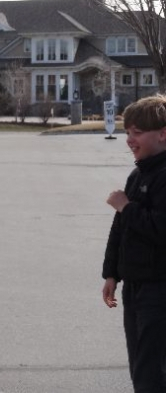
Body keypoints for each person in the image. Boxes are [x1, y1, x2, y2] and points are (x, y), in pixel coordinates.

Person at [102, 94, 166, 393]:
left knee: (152, 371)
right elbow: (120, 230)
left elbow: (160, 226)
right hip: (136, 286)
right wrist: (111, 274)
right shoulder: (138, 174)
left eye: (137, 132)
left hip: (159, 288)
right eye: (127, 132)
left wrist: (127, 207)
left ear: (162, 134)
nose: (129, 139)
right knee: (140, 364)